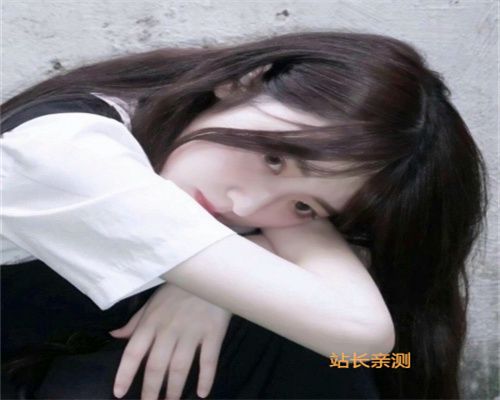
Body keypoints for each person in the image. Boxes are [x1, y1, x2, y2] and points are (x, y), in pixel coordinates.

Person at [0, 31, 487, 400]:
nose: (246, 206)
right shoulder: (66, 150)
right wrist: (249, 267)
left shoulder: (195, 169)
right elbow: (364, 339)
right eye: (275, 158)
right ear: (245, 81)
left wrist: (231, 275)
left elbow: (391, 359)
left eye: (304, 206)